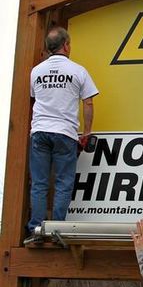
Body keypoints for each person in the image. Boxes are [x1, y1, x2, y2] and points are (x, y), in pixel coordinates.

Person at [25, 26, 99, 243]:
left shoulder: (36, 71)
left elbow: (35, 98)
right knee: (63, 182)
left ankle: (36, 231)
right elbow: (89, 101)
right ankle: (57, 230)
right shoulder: (78, 70)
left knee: (39, 183)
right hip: (65, 132)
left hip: (39, 131)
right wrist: (86, 132)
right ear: (66, 45)